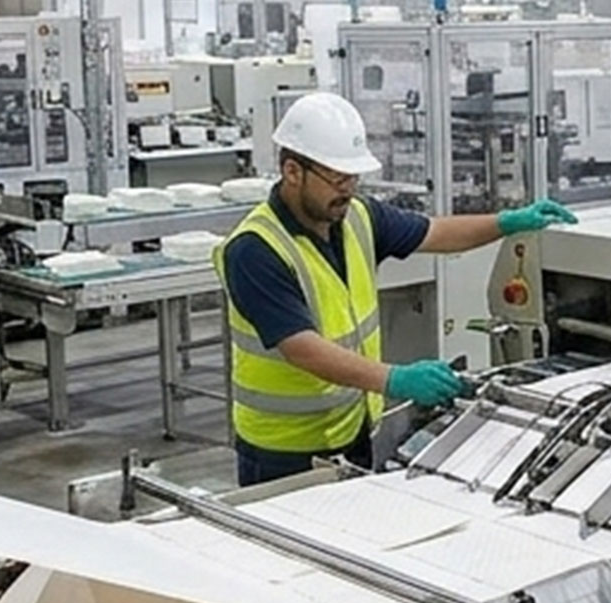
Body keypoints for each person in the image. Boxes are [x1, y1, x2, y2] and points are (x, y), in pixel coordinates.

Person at [214, 90, 578, 486]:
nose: (348, 189)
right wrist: (396, 379)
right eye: (337, 178)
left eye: (354, 177)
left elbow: (435, 233)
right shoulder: (255, 249)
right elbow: (302, 348)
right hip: (282, 452)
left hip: (351, 434)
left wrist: (507, 222)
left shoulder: (356, 217)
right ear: (292, 172)